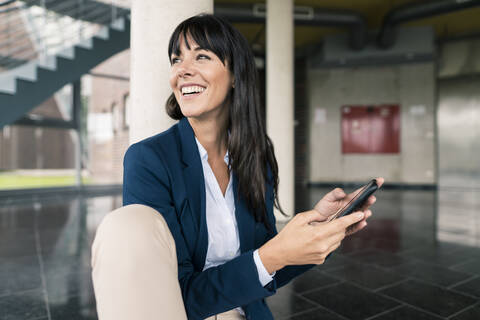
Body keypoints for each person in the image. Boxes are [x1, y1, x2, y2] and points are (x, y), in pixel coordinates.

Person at [91, 14, 383, 320]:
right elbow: (170, 298)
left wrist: (320, 232)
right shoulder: (148, 160)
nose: (182, 71)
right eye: (176, 60)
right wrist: (272, 255)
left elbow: (265, 270)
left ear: (235, 76)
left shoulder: (256, 155)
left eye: (201, 56)